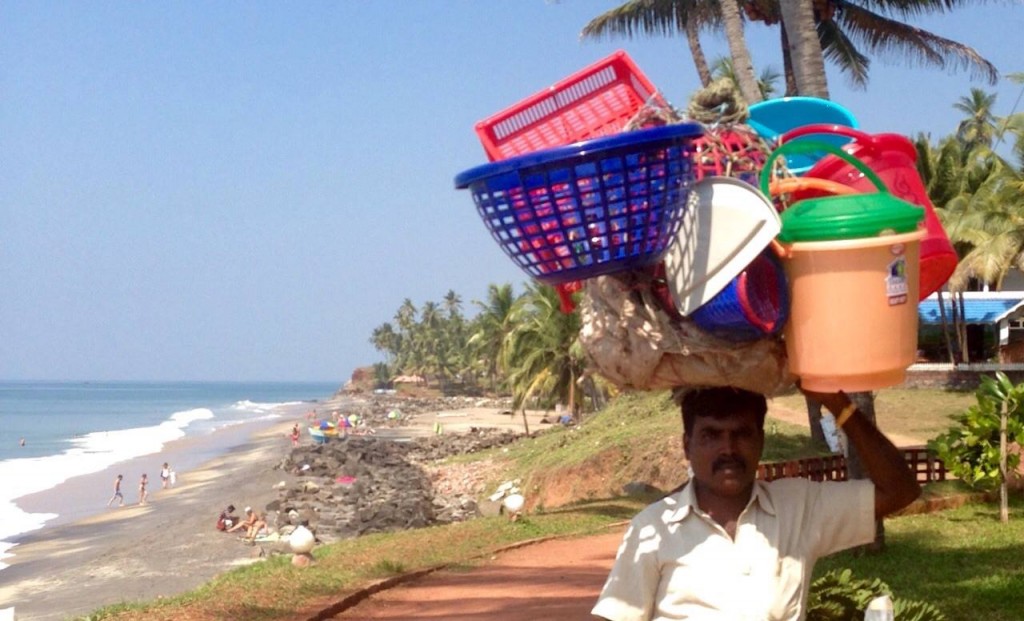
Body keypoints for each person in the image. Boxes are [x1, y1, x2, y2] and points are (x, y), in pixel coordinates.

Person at [592, 385, 921, 621]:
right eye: (711, 435)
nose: (728, 449)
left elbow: (900, 491)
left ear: (761, 441)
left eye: (742, 434)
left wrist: (839, 406)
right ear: (686, 446)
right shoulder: (653, 527)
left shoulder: (799, 507)